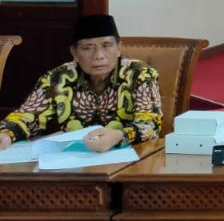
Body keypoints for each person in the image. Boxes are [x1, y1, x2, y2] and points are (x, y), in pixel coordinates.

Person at [0, 14, 162, 152]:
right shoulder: (57, 78)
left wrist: (119, 136)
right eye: (87, 48)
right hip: (73, 161)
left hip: (131, 157)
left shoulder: (140, 75)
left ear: (119, 48)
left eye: (106, 46)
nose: (98, 55)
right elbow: (26, 115)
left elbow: (150, 125)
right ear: (74, 53)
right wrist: (6, 134)